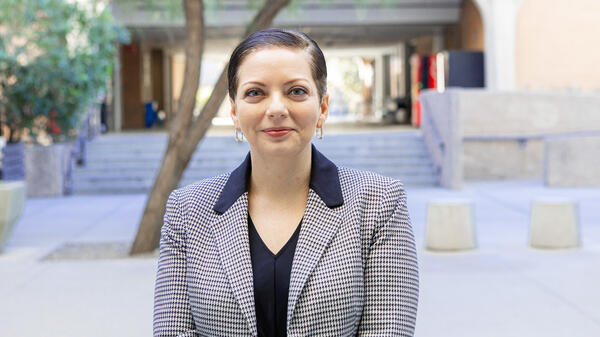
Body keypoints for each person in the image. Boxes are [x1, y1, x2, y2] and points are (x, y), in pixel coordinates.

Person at [153, 28, 419, 337]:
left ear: (322, 107)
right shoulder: (187, 210)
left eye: (296, 91)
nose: (277, 109)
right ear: (235, 112)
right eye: (256, 93)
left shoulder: (378, 203)